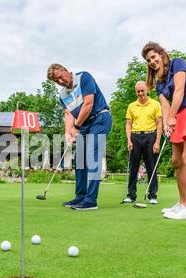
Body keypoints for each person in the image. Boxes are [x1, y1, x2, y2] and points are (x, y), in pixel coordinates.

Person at [142, 42, 186, 219]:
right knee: (177, 161)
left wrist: (171, 118)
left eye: (154, 57)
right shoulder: (159, 83)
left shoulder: (178, 63)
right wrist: (168, 123)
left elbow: (179, 90)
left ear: (161, 55)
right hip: (177, 116)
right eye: (148, 60)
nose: (152, 61)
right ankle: (182, 203)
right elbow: (164, 105)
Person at [47, 63, 112, 210]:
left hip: (100, 118)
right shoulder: (63, 95)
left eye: (60, 77)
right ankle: (80, 196)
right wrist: (67, 133)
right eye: (57, 81)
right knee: (79, 159)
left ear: (65, 70)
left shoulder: (84, 77)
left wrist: (76, 127)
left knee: (91, 156)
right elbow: (68, 114)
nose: (61, 81)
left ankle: (91, 200)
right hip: (84, 124)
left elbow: (88, 104)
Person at [123, 81, 162, 204]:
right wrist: (129, 140)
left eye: (142, 91)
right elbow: (128, 124)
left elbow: (159, 123)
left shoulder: (155, 104)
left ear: (147, 90)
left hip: (151, 136)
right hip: (135, 136)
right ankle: (131, 195)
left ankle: (152, 195)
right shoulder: (131, 106)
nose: (140, 93)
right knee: (133, 167)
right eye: (138, 91)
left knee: (151, 167)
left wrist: (157, 142)